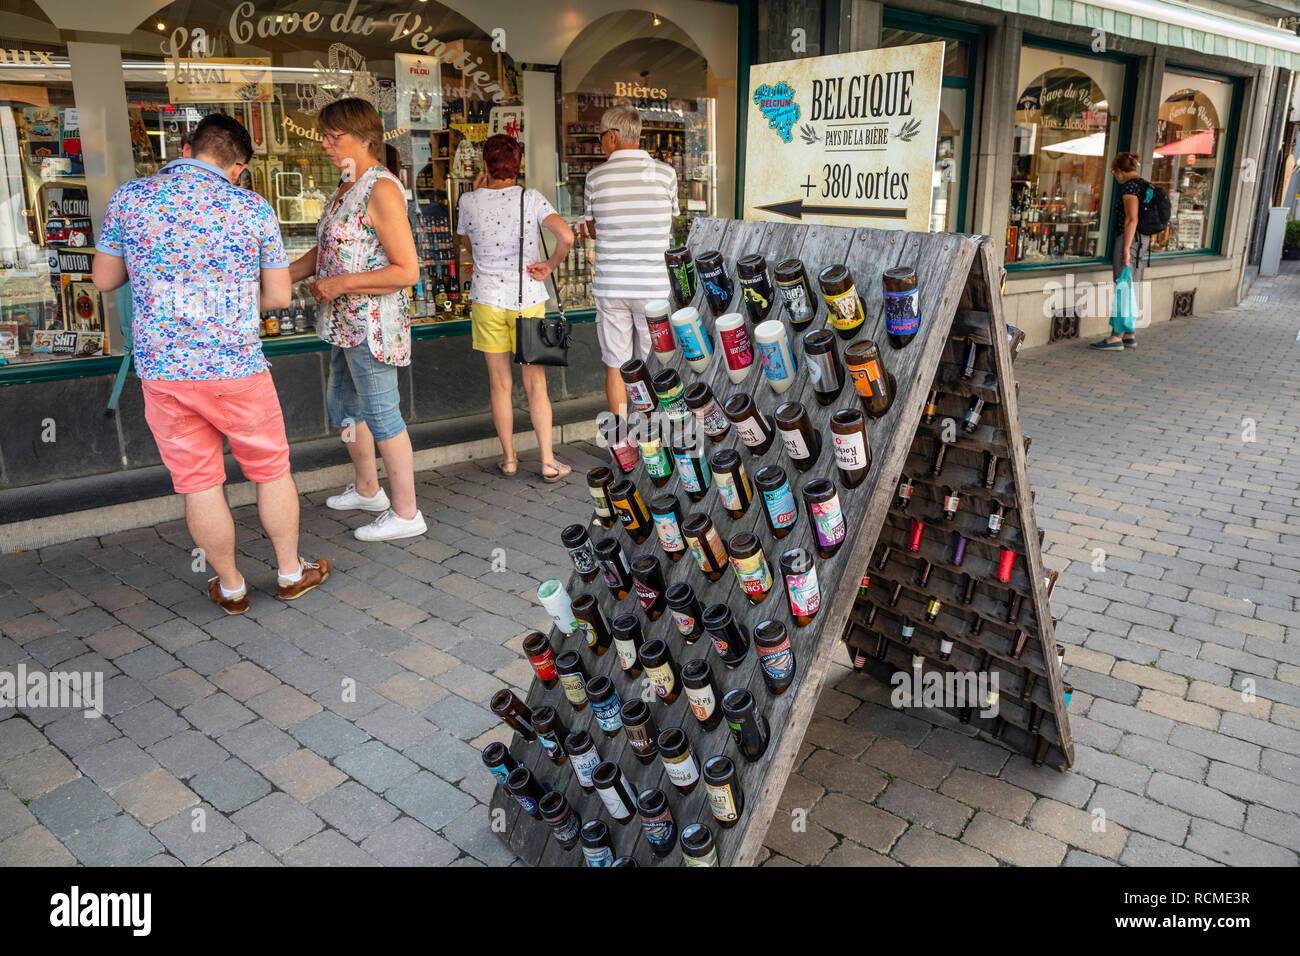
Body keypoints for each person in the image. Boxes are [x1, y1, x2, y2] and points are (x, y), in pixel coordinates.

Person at [92, 113, 329, 615]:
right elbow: (280, 296)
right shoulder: (251, 207)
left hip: (164, 372)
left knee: (199, 482)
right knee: (269, 471)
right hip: (236, 368)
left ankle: (231, 585)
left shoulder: (130, 198)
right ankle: (289, 571)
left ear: (185, 146)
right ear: (238, 166)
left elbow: (105, 280)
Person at [288, 98, 426, 540]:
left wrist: (342, 283)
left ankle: (407, 514)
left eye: (335, 136)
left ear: (366, 138)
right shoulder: (347, 187)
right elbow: (326, 250)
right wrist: (280, 276)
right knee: (345, 408)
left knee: (384, 416)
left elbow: (407, 270)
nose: (326, 144)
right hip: (343, 323)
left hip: (371, 324)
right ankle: (369, 488)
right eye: (324, 136)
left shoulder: (381, 188)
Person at [459, 135, 575, 481]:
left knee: (500, 385)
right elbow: (566, 237)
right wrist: (550, 264)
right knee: (535, 383)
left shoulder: (468, 200)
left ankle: (509, 459)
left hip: (486, 299)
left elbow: (467, 245)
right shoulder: (531, 198)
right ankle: (548, 461)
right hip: (527, 299)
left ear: (485, 164)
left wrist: (478, 193)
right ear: (517, 164)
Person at [576, 105, 678, 414]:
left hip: (612, 285)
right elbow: (670, 221)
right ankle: (656, 436)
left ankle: (621, 442)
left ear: (612, 136)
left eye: (601, 137)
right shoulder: (665, 174)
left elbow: (592, 230)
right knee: (656, 364)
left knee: (616, 364)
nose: (600, 143)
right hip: (653, 287)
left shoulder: (595, 177)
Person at [1092, 152, 1148, 352]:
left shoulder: (1130, 186)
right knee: (1129, 285)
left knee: (1123, 285)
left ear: (1119, 171)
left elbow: (1131, 219)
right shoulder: (1143, 184)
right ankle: (1129, 334)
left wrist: (1125, 249)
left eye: (1114, 172)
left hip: (1128, 239)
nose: (1115, 177)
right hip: (1140, 241)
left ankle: (1116, 336)